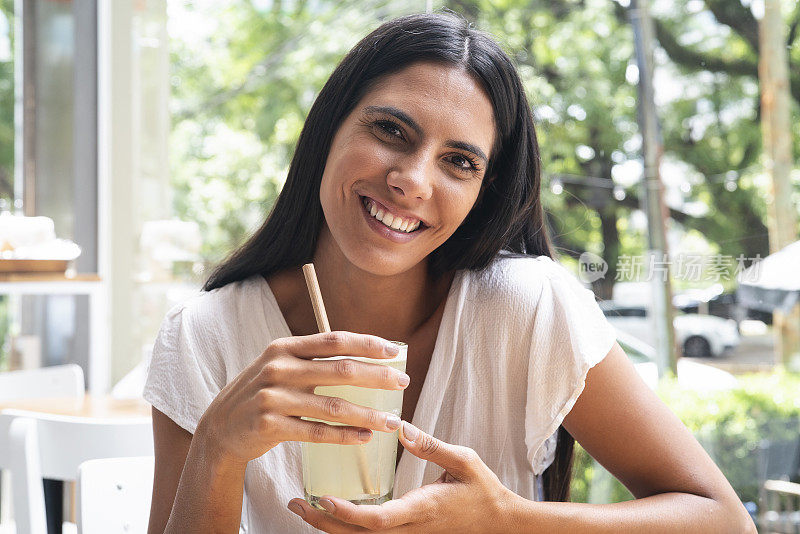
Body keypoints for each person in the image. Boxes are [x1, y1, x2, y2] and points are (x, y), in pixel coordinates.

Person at [144, 12, 756, 534]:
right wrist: (217, 448)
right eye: (390, 130)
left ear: (482, 195)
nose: (411, 179)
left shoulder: (527, 309)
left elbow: (722, 518)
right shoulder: (206, 336)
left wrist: (511, 519)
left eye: (458, 161)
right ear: (329, 128)